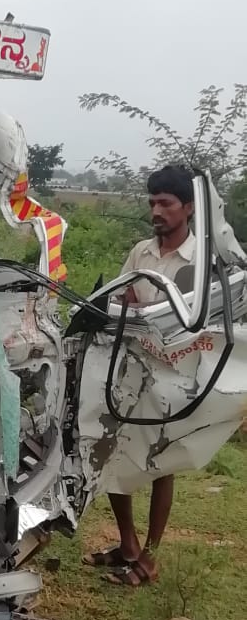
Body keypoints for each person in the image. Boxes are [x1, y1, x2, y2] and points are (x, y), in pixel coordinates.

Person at [83, 164, 195, 587]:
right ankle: (127, 545)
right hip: (132, 367)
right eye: (152, 203)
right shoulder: (140, 253)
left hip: (175, 373)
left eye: (165, 203)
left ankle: (150, 558)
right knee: (115, 452)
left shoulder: (198, 261)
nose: (157, 211)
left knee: (162, 462)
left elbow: (198, 321)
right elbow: (123, 298)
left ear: (187, 207)